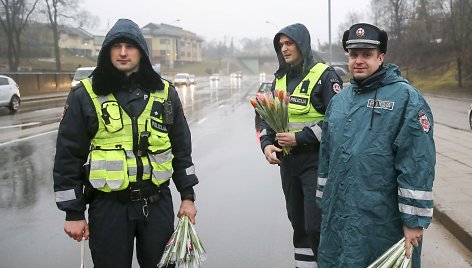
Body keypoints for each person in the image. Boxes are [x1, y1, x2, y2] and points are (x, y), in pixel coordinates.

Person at [53, 18, 198, 268]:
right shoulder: (85, 95)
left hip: (156, 204)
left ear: (141, 51)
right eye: (116, 46)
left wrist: (187, 196)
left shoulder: (165, 93)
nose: (122, 53)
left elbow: (181, 150)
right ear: (106, 51)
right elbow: (68, 156)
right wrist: (73, 213)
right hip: (109, 208)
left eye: (129, 46)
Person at [316, 23, 436, 267]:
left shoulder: (405, 99)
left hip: (382, 221)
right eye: (353, 54)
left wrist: (413, 221)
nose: (359, 60)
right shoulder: (339, 101)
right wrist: (324, 202)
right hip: (339, 218)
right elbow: (326, 156)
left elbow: (417, 161)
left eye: (367, 55)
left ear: (381, 57)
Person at [260, 23, 342, 268]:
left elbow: (337, 120)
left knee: (315, 224)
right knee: (297, 223)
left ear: (302, 44)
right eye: (281, 45)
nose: (284, 49)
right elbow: (268, 116)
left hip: (316, 162)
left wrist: (301, 137)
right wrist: (266, 143)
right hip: (288, 163)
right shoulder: (280, 79)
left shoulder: (325, 75)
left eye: (289, 43)